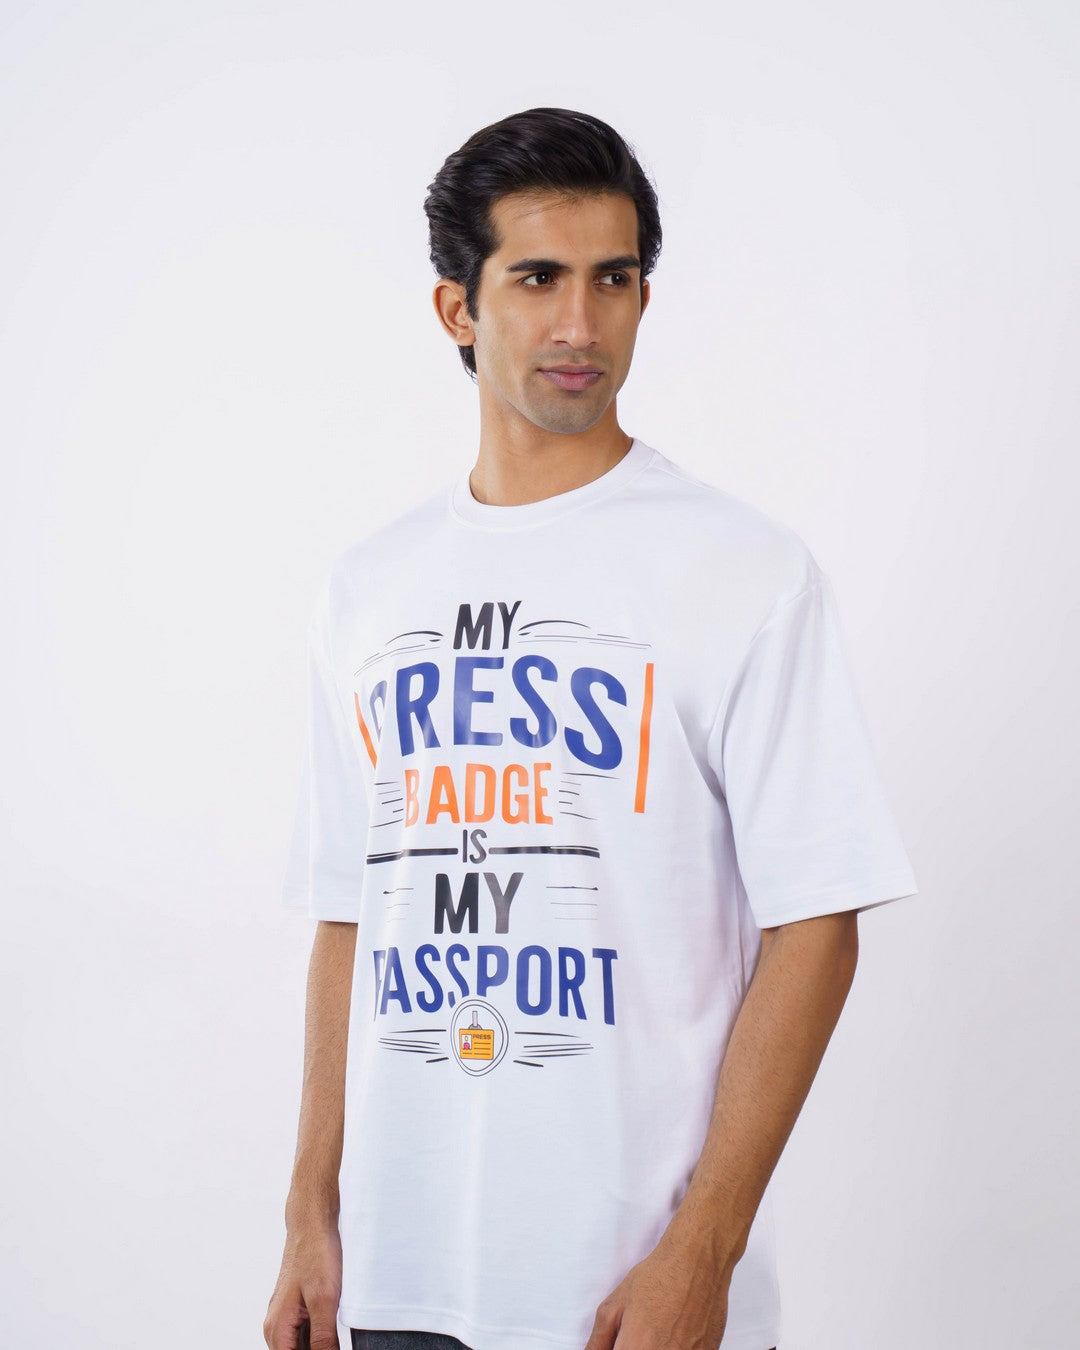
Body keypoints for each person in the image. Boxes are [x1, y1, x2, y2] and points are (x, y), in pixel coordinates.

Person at [263, 107, 918, 1350]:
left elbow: (818, 924)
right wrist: (309, 1211)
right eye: (538, 280)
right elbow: (349, 913)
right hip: (400, 1283)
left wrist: (703, 1248)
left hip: (631, 1289)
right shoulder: (367, 590)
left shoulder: (743, 571)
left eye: (613, 281)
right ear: (457, 308)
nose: (580, 324)